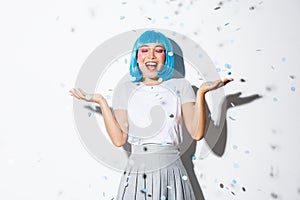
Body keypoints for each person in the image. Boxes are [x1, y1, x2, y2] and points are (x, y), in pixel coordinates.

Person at [70, 30, 233, 199]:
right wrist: (101, 101)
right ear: (137, 56)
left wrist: (202, 93)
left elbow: (197, 133)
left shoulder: (182, 86)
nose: (152, 56)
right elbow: (119, 140)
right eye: (145, 50)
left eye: (159, 50)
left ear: (166, 56)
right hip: (138, 173)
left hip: (172, 169)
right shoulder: (125, 90)